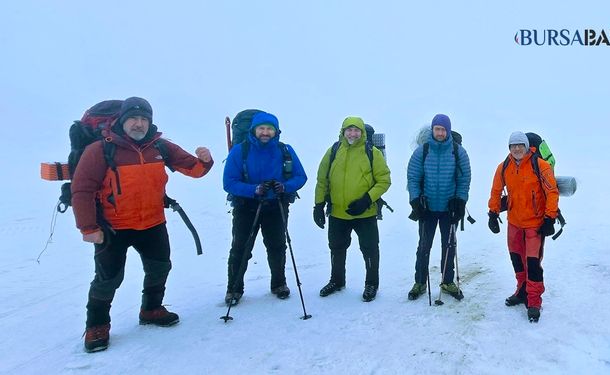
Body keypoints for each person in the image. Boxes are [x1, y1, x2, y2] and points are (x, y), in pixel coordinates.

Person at [71, 97, 213, 352]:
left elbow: (194, 169)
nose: (138, 124)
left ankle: (151, 309)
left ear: (150, 122)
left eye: (143, 119)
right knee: (108, 279)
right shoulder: (101, 150)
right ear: (122, 121)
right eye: (133, 119)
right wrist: (88, 228)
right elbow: (81, 189)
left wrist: (205, 161)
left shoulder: (160, 146)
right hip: (112, 228)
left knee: (160, 268)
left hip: (153, 222)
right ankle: (96, 326)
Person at [222, 112, 307, 306]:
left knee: (277, 246)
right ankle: (233, 289)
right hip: (246, 206)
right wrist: (253, 190)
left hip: (276, 205)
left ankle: (279, 284)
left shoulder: (285, 150)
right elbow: (229, 182)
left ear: (276, 131)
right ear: (254, 129)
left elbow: (300, 176)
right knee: (241, 248)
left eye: (270, 129)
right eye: (262, 128)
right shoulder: (239, 151)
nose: (265, 132)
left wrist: (285, 186)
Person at [313, 116, 391, 302]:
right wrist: (318, 205)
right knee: (336, 248)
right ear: (343, 131)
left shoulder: (372, 152)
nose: (353, 133)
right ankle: (337, 280)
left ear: (362, 133)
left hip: (366, 212)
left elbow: (384, 180)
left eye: (357, 130)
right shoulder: (333, 151)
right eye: (349, 130)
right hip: (338, 213)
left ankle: (371, 284)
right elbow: (322, 180)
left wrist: (367, 199)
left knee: (370, 248)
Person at [487, 131, 559, 322]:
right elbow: (496, 191)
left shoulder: (540, 166)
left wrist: (549, 218)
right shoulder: (503, 167)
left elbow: (552, 192)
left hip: (535, 224)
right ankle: (522, 291)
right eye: (513, 145)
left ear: (527, 147)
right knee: (517, 260)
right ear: (509, 148)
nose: (517, 148)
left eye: (520, 145)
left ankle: (534, 301)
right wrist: (493, 214)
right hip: (514, 223)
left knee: (533, 264)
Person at [406, 114, 471, 301]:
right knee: (423, 246)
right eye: (437, 129)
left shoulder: (458, 152)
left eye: (443, 129)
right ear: (432, 130)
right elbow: (413, 178)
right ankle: (419, 282)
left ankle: (447, 281)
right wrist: (416, 201)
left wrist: (460, 201)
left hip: (449, 208)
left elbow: (464, 179)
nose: (440, 132)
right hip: (427, 208)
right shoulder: (422, 151)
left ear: (448, 131)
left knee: (449, 246)